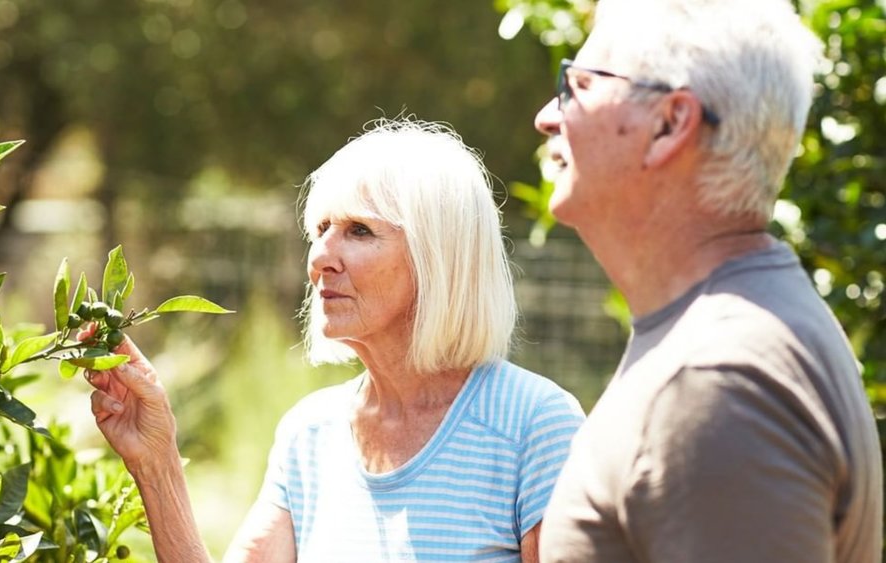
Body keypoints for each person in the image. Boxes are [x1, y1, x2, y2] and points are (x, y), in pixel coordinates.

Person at [85, 119, 586, 562]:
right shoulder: (310, 432)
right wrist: (157, 461)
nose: (320, 256)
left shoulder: (535, 426)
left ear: (439, 258)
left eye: (359, 230)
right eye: (320, 228)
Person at [530, 1, 883, 562]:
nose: (548, 115)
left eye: (579, 85)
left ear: (669, 124)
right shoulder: (743, 326)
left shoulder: (714, 383)